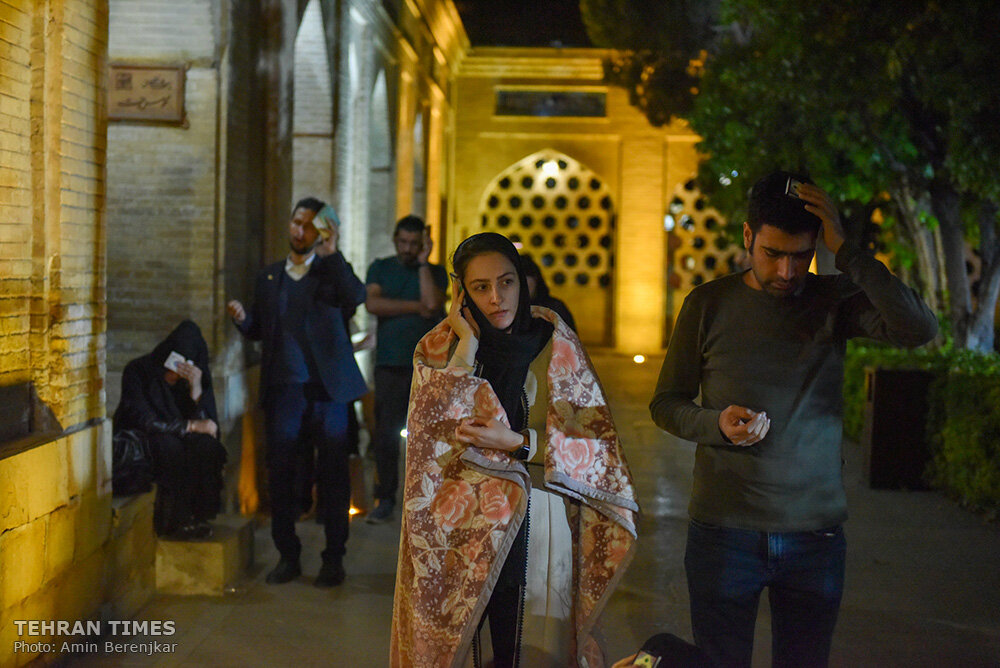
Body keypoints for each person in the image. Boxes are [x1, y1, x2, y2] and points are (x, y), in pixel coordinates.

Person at [649, 171, 938, 667]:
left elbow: (919, 328)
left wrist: (847, 252)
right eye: (772, 253)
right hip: (724, 532)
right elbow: (666, 403)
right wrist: (716, 424)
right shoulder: (708, 304)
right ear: (747, 236)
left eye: (801, 255)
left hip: (813, 536)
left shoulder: (833, 300)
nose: (786, 271)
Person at [391, 232, 639, 667]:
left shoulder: (554, 343)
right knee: (467, 647)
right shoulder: (439, 348)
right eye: (480, 287)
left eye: (506, 282)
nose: (496, 298)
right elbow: (433, 442)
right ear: (460, 293)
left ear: (521, 282)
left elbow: (595, 446)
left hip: (538, 520)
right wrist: (467, 345)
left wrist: (519, 443)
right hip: (460, 530)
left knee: (530, 646)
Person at [227, 197, 368, 587]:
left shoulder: (330, 272)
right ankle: (287, 555)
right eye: (296, 222)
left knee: (333, 475)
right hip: (284, 390)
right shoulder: (270, 276)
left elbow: (356, 297)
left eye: (308, 225)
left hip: (327, 391)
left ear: (320, 231)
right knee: (282, 474)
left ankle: (333, 559)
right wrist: (244, 320)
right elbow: (261, 329)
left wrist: (332, 254)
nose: (300, 230)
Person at [364, 215, 448, 523]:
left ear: (423, 244)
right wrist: (415, 308)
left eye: (414, 243)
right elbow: (373, 304)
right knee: (385, 437)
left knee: (427, 438)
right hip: (389, 364)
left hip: (427, 367)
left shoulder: (435, 272)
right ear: (395, 240)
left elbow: (433, 304)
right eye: (403, 242)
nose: (408, 249)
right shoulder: (380, 268)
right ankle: (385, 497)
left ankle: (426, 501)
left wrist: (424, 264)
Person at [113, 320, 227, 539]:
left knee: (206, 446)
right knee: (169, 447)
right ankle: (173, 522)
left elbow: (210, 427)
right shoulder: (138, 371)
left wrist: (195, 391)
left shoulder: (193, 381)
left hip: (177, 436)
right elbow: (143, 420)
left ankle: (197, 518)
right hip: (144, 437)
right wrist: (189, 426)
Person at [520, 253, 577, 332]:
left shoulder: (555, 308)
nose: (521, 287)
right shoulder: (509, 310)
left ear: (536, 278)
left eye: (524, 281)